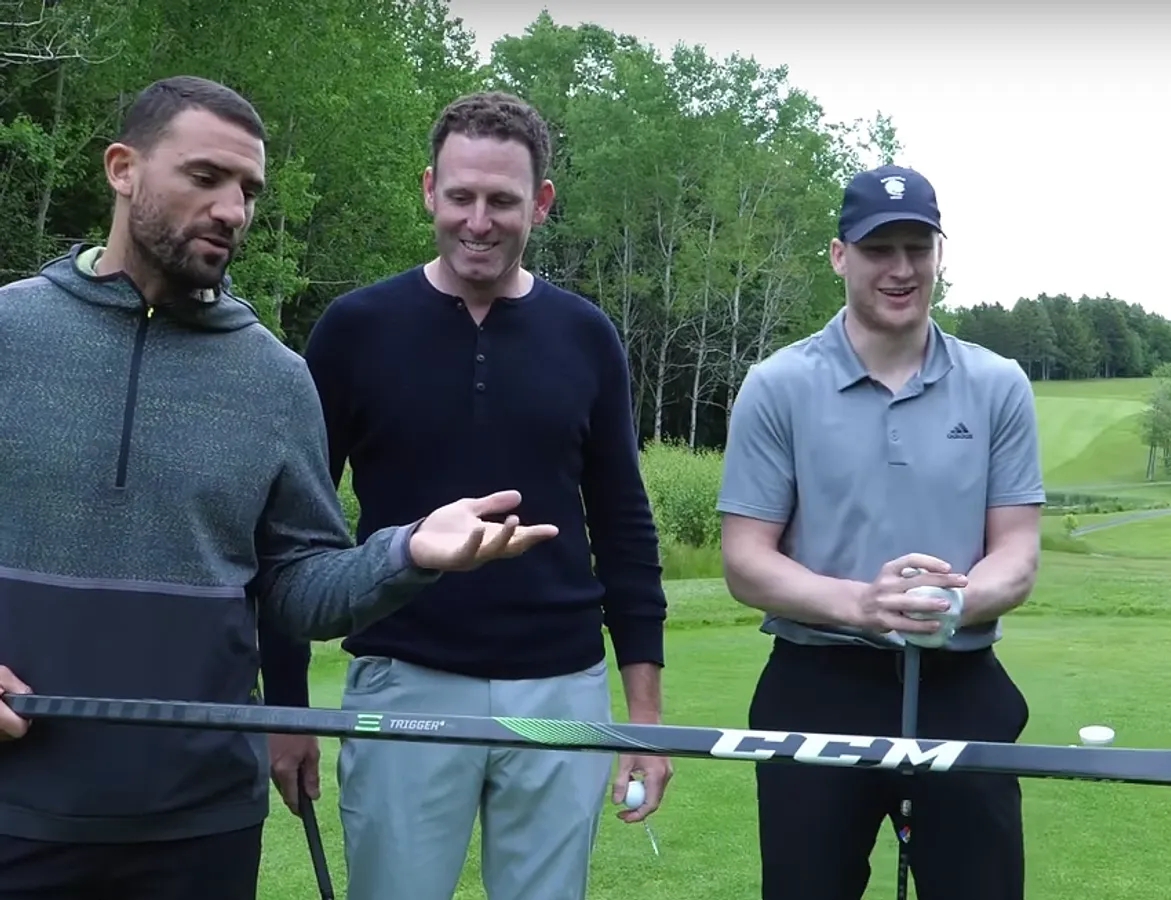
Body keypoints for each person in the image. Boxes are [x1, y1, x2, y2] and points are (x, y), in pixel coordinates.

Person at [0, 75, 554, 900]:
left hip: (200, 823)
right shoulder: (12, 334)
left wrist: (407, 552)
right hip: (17, 808)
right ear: (122, 168)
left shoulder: (274, 376)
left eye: (249, 190)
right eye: (205, 178)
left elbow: (297, 587)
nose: (233, 209)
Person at [256, 90, 671, 900]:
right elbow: (292, 538)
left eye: (503, 201)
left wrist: (644, 720)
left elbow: (624, 529)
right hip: (404, 679)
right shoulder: (353, 328)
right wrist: (288, 714)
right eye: (461, 197)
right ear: (428, 191)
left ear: (540, 203)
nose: (479, 221)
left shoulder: (587, 337)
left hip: (562, 688)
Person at [715, 164, 1045, 900]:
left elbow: (1017, 552)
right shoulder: (779, 385)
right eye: (878, 249)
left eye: (917, 249)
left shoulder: (997, 384)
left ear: (938, 256)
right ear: (840, 255)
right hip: (816, 684)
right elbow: (745, 561)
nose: (901, 269)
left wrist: (957, 601)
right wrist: (863, 605)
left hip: (961, 684)